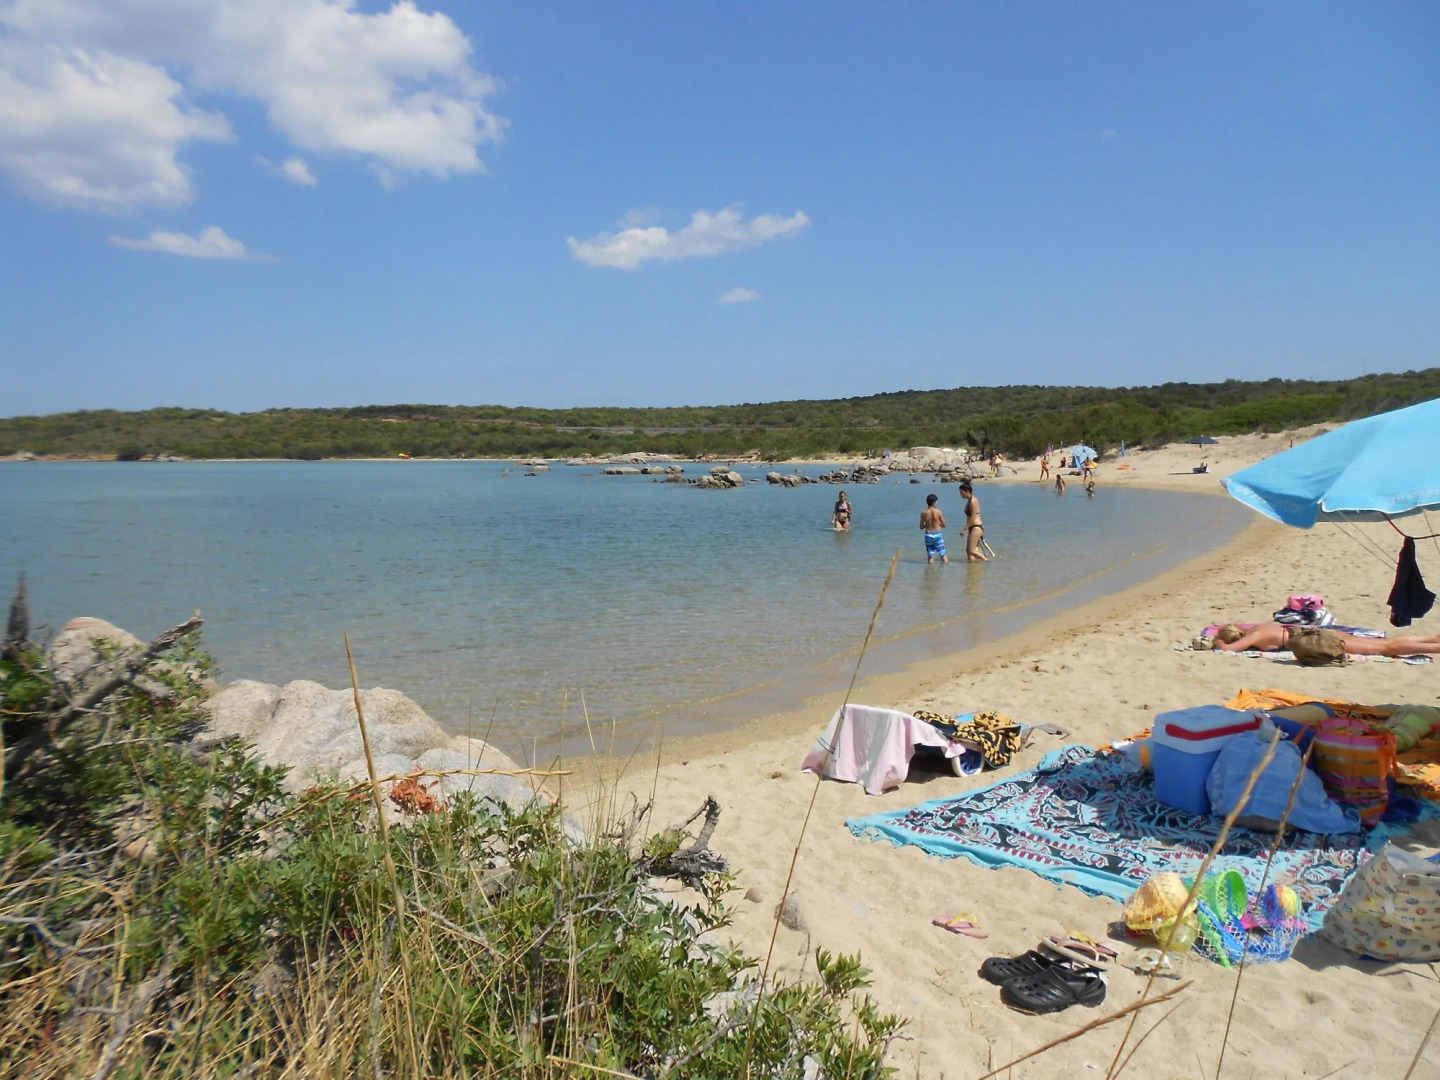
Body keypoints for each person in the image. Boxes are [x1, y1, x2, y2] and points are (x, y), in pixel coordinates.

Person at [1212, 623, 1440, 657]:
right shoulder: (1258, 628)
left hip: (1319, 639)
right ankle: (1431, 638)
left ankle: (1436, 647)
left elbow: (1227, 650)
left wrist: (1218, 643)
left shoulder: (1255, 636)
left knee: (1385, 648)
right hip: (1318, 632)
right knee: (1383, 643)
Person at [958, 480, 988, 562]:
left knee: (970, 550)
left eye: (961, 492)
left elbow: (974, 516)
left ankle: (987, 562)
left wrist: (965, 529)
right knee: (969, 552)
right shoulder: (969, 500)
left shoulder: (973, 501)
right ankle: (972, 568)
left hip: (976, 527)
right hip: (973, 527)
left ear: (967, 491)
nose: (960, 494)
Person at [919, 493, 948, 564]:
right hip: (937, 534)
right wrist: (937, 523)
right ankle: (947, 568)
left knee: (930, 556)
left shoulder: (923, 513)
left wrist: (927, 524)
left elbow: (921, 527)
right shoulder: (938, 511)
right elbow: (944, 525)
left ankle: (930, 570)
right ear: (934, 502)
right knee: (943, 554)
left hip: (928, 535)